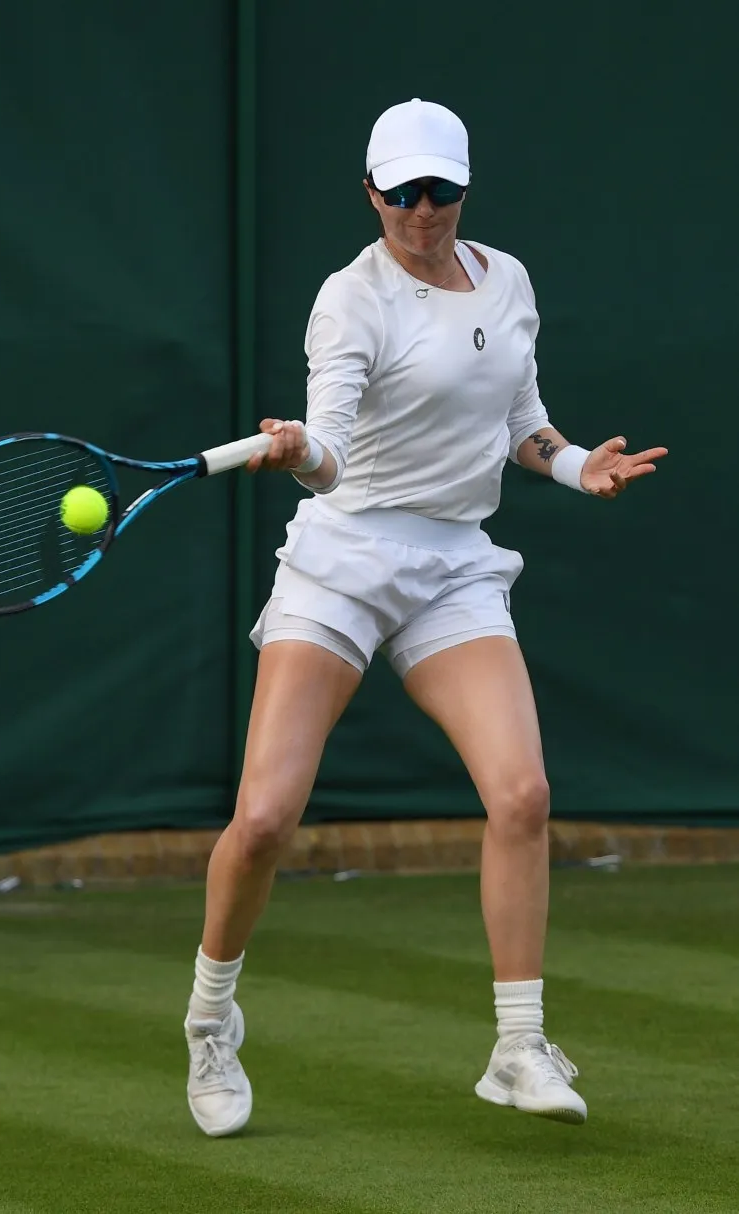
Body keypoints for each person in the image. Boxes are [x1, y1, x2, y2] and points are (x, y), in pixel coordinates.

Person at [183, 97, 668, 1136]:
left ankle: (516, 1045)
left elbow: (523, 424)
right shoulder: (348, 301)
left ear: (462, 187)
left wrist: (585, 468)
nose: (421, 210)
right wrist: (298, 447)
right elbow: (333, 448)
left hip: (453, 565)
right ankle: (211, 1018)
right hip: (346, 559)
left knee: (523, 791)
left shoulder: (510, 280)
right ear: (370, 192)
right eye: (400, 192)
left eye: (438, 189)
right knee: (265, 817)